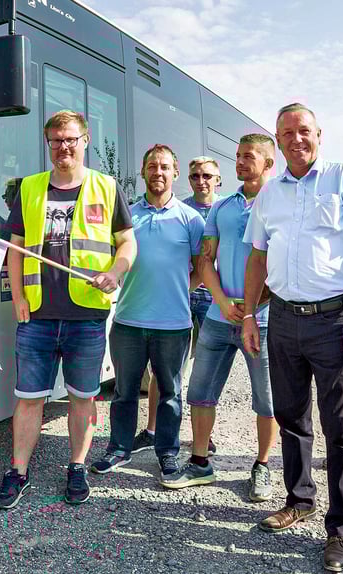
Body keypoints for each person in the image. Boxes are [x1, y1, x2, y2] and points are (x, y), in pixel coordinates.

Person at [242, 103, 343, 572]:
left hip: (334, 321)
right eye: (287, 133)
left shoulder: (342, 178)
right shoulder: (269, 195)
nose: (296, 139)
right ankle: (299, 498)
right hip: (282, 319)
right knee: (290, 416)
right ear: (277, 142)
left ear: (319, 135)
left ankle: (341, 529)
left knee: (340, 429)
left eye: (304, 131)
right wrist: (247, 314)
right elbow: (257, 258)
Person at [0, 110, 136, 509]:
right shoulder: (30, 188)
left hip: (87, 316)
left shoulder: (106, 188)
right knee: (29, 398)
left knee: (82, 398)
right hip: (37, 315)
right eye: (56, 140)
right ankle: (18, 471)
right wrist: (19, 296)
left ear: (85, 140)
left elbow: (127, 242)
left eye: (71, 139)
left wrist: (116, 270)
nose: (63, 147)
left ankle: (76, 466)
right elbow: (16, 248)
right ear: (48, 143)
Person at [162, 135, 277, 500]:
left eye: (250, 157)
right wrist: (222, 301)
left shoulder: (279, 205)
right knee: (200, 392)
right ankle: (199, 463)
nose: (241, 162)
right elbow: (204, 261)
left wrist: (253, 305)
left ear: (269, 163)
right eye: (239, 156)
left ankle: (262, 465)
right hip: (218, 314)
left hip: (264, 317)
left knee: (267, 399)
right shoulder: (222, 207)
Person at [91, 144, 205, 482]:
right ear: (142, 171)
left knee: (170, 392)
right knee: (124, 392)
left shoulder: (191, 219)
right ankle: (119, 448)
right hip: (128, 322)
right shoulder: (128, 215)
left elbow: (202, 267)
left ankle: (167, 452)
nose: (158, 172)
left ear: (175, 172)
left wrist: (179, 290)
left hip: (174, 325)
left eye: (165, 167)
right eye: (152, 166)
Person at [134, 156, 221, 456]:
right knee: (166, 371)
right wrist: (178, 289)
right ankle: (153, 429)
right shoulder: (180, 208)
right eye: (195, 175)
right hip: (179, 301)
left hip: (212, 303)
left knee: (207, 373)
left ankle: (203, 434)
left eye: (207, 176)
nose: (201, 181)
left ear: (217, 179)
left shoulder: (224, 210)